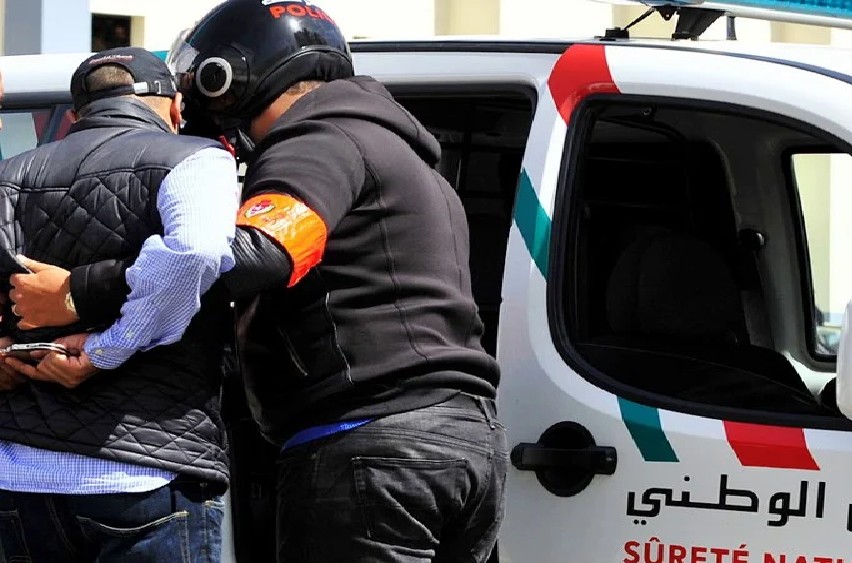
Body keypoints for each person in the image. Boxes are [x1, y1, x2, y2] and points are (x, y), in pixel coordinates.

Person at [9, 1, 508, 562]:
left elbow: (254, 254)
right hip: (464, 443)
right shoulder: (401, 154)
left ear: (225, 76)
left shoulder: (320, 139)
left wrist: (80, 292)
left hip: (373, 444)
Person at [0, 47, 240, 562]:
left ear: (75, 115)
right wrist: (107, 348)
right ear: (175, 107)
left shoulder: (11, 173)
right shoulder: (194, 157)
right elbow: (195, 251)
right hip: (144, 474)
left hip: (20, 477)